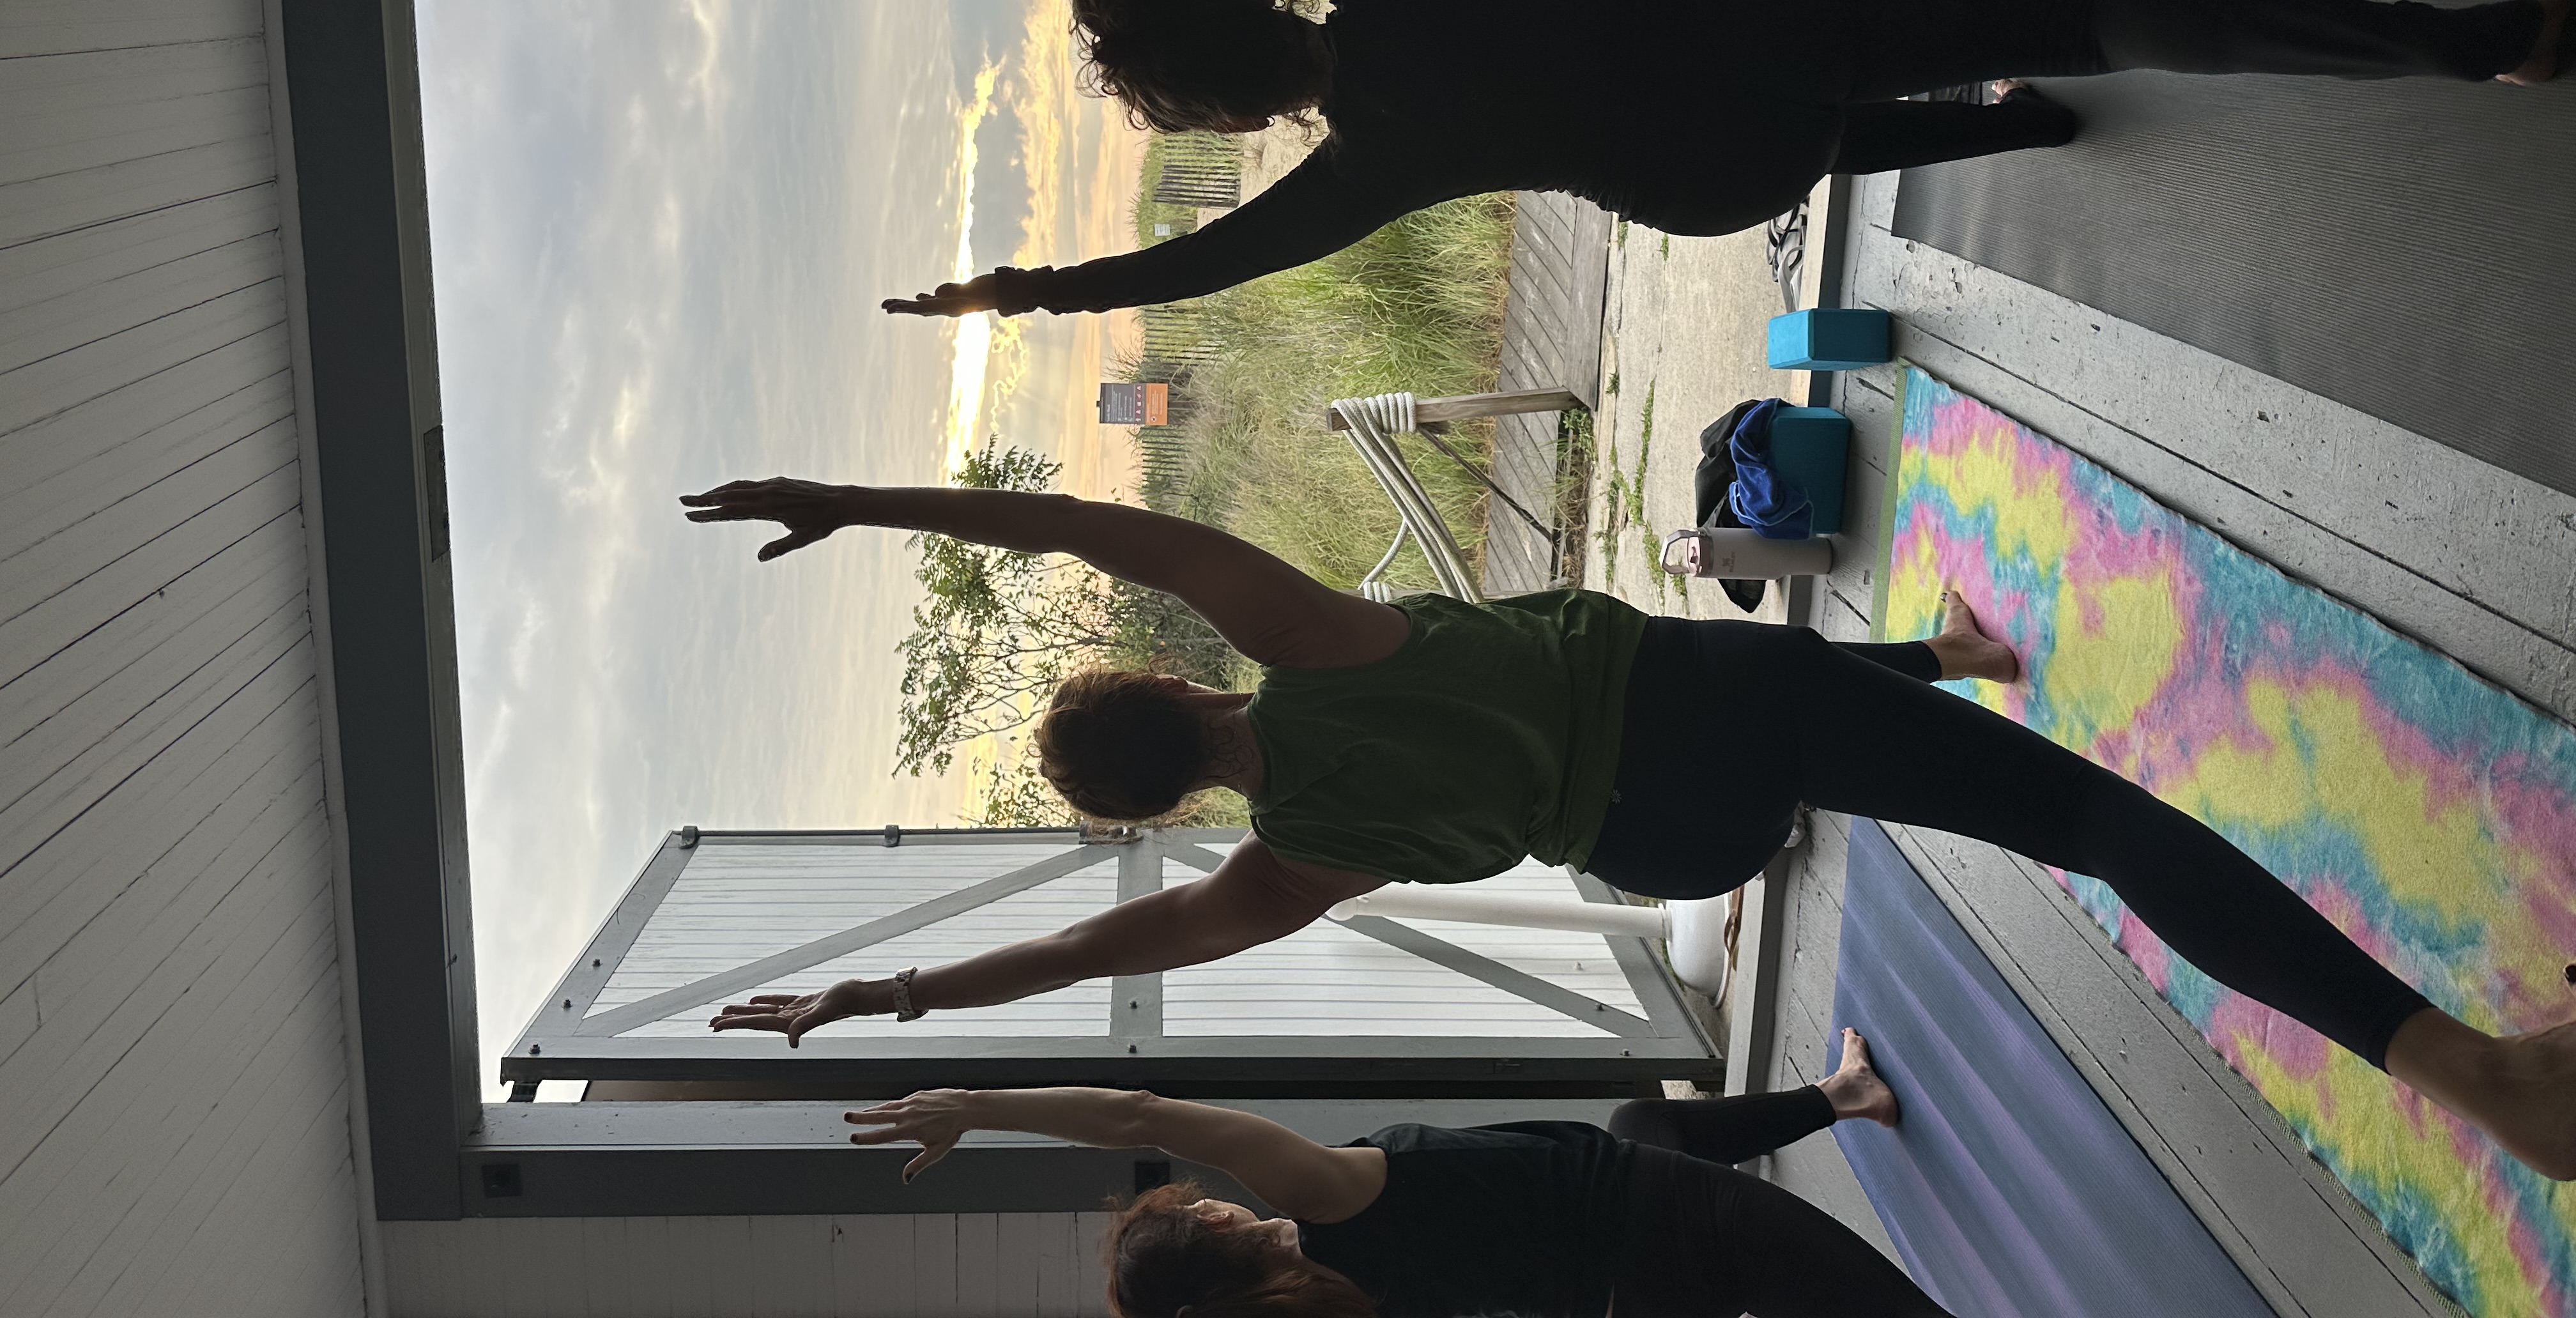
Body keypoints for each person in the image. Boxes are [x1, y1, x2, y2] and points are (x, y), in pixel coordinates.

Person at [679, 475, 2576, 1182]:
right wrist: (852, 502)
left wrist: (882, 1003)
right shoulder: (1308, 644)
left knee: (1864, 746)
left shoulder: (1275, 875)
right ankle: (2474, 1071)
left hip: (1680, 843)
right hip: (1698, 698)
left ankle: (1943, 664)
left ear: (1156, 805)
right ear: (1176, 693)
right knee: (2085, 820)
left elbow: (1093, 958)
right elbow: (1111, 534)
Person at [859, 0, 2568, 323]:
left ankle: (1995, 123)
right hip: (1752, 15)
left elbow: (1197, 263)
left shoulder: (1359, 175)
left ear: (1230, 108)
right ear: (1238, 4)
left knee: (1858, 105)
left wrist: (1015, 297)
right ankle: (2461, 48)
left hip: (1718, 167)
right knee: (2069, 7)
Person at [840, 1029, 1944, 1318]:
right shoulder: (1320, 1196)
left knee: (1636, 1116)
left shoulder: (1332, 1308)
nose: (1215, 1192)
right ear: (1217, 1224)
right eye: (1200, 1204)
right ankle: (1842, 1103)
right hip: (1668, 1221)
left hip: (1628, 1298)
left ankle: (1844, 1098)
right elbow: (1139, 1109)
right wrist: (977, 1107)